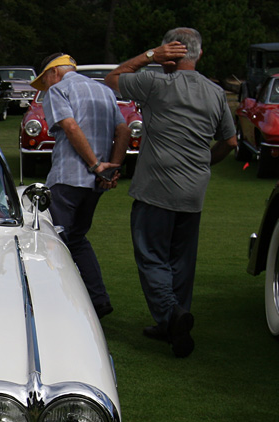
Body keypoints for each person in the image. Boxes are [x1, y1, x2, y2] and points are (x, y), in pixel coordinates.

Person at [104, 28, 237, 358]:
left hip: (157, 188)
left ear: (169, 52)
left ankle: (171, 315)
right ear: (199, 54)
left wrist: (150, 56)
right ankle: (174, 326)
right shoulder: (215, 92)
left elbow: (113, 77)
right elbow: (231, 142)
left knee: (151, 256)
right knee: (181, 262)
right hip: (194, 191)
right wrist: (205, 161)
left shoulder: (155, 83)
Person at [31, 53, 129, 320]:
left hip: (68, 178)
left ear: (53, 73)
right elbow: (124, 131)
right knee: (77, 239)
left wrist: (96, 165)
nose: (46, 86)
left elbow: (70, 127)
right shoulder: (104, 91)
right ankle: (98, 299)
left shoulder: (58, 90)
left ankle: (57, 304)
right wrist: (112, 168)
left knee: (55, 241)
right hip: (94, 183)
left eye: (45, 80)